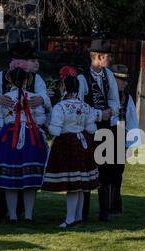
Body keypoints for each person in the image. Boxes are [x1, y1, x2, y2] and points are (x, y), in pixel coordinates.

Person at [0, 41, 51, 224]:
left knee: (25, 169)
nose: (35, 63)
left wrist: (39, 99)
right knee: (4, 170)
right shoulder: (0, 77)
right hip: (6, 130)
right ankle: (2, 211)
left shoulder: (36, 80)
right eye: (31, 60)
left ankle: (22, 211)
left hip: (28, 130)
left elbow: (45, 98)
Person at [42, 70, 100, 228]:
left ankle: (70, 219)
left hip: (67, 144)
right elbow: (91, 127)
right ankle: (78, 217)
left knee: (73, 185)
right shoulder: (85, 106)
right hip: (83, 143)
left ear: (64, 88)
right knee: (80, 184)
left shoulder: (60, 107)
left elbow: (55, 130)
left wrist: (47, 124)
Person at [81, 39, 119, 222]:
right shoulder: (82, 77)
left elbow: (114, 99)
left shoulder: (108, 75)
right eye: (108, 56)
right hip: (88, 128)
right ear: (98, 57)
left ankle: (105, 211)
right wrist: (98, 114)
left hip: (105, 128)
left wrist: (110, 112)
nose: (110, 59)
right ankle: (83, 212)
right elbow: (79, 106)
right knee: (87, 169)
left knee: (106, 171)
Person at [109, 64, 141, 214]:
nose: (125, 83)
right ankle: (105, 204)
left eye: (125, 80)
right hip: (104, 135)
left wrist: (131, 145)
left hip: (120, 138)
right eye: (121, 80)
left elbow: (132, 121)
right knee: (104, 174)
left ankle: (115, 204)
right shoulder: (106, 96)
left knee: (117, 173)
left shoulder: (127, 99)